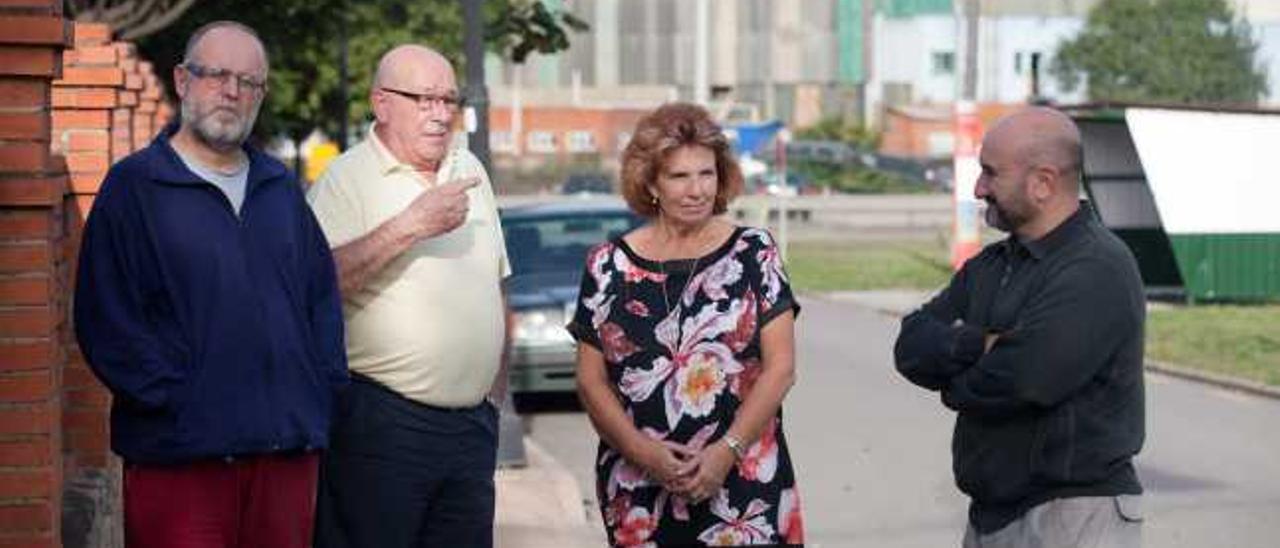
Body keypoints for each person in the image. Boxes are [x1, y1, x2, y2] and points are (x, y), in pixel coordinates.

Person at [73, 21, 347, 548]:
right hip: (180, 461)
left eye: (249, 82)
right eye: (217, 74)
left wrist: (318, 394)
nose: (232, 91)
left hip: (283, 458)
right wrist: (178, 400)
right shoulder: (135, 189)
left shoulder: (280, 192)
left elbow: (321, 303)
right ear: (181, 80)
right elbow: (106, 318)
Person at [894, 107, 1146, 548]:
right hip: (991, 516)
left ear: (1043, 183)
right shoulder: (992, 266)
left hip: (1073, 518)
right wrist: (980, 342)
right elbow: (911, 344)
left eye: (991, 174)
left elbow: (1028, 379)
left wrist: (952, 383)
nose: (978, 188)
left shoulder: (1096, 267)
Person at [569, 103, 806, 547]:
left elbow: (781, 369)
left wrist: (725, 453)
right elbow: (590, 382)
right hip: (640, 492)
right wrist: (643, 454)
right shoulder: (607, 266)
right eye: (679, 177)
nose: (696, 190)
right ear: (651, 183)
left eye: (706, 174)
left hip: (744, 487)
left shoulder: (755, 253)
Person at [306, 44, 511, 548]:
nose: (441, 115)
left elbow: (497, 282)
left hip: (471, 430)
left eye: (449, 100)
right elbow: (312, 288)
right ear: (381, 103)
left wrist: (493, 394)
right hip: (383, 427)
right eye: (424, 100)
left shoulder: (471, 169)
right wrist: (409, 226)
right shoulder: (344, 180)